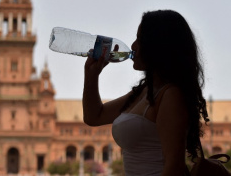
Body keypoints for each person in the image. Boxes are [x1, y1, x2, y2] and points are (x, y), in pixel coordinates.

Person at [82, 9, 209, 176]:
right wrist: (91, 75)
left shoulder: (171, 95)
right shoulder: (145, 92)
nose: (133, 46)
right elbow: (94, 116)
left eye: (140, 40)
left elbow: (174, 167)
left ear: (159, 46)